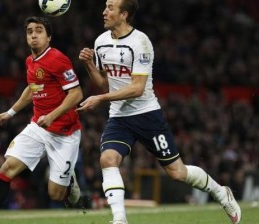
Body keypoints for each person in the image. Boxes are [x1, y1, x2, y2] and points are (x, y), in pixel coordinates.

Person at [77, 0, 241, 224]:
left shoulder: (140, 42)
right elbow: (105, 85)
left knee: (177, 173)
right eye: (105, 6)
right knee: (107, 159)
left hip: (147, 115)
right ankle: (119, 219)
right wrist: (89, 66)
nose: (104, 12)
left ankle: (221, 193)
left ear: (124, 14)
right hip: (119, 117)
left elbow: (137, 88)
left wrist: (100, 98)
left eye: (110, 8)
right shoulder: (101, 42)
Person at [0, 16, 83, 224]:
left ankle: (69, 181)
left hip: (64, 133)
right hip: (38, 127)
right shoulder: (30, 61)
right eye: (30, 31)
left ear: (49, 37)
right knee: (7, 168)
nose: (33, 34)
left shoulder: (58, 59)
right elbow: (33, 88)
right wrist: (11, 112)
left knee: (56, 194)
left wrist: (52, 116)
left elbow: (77, 94)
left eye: (39, 30)